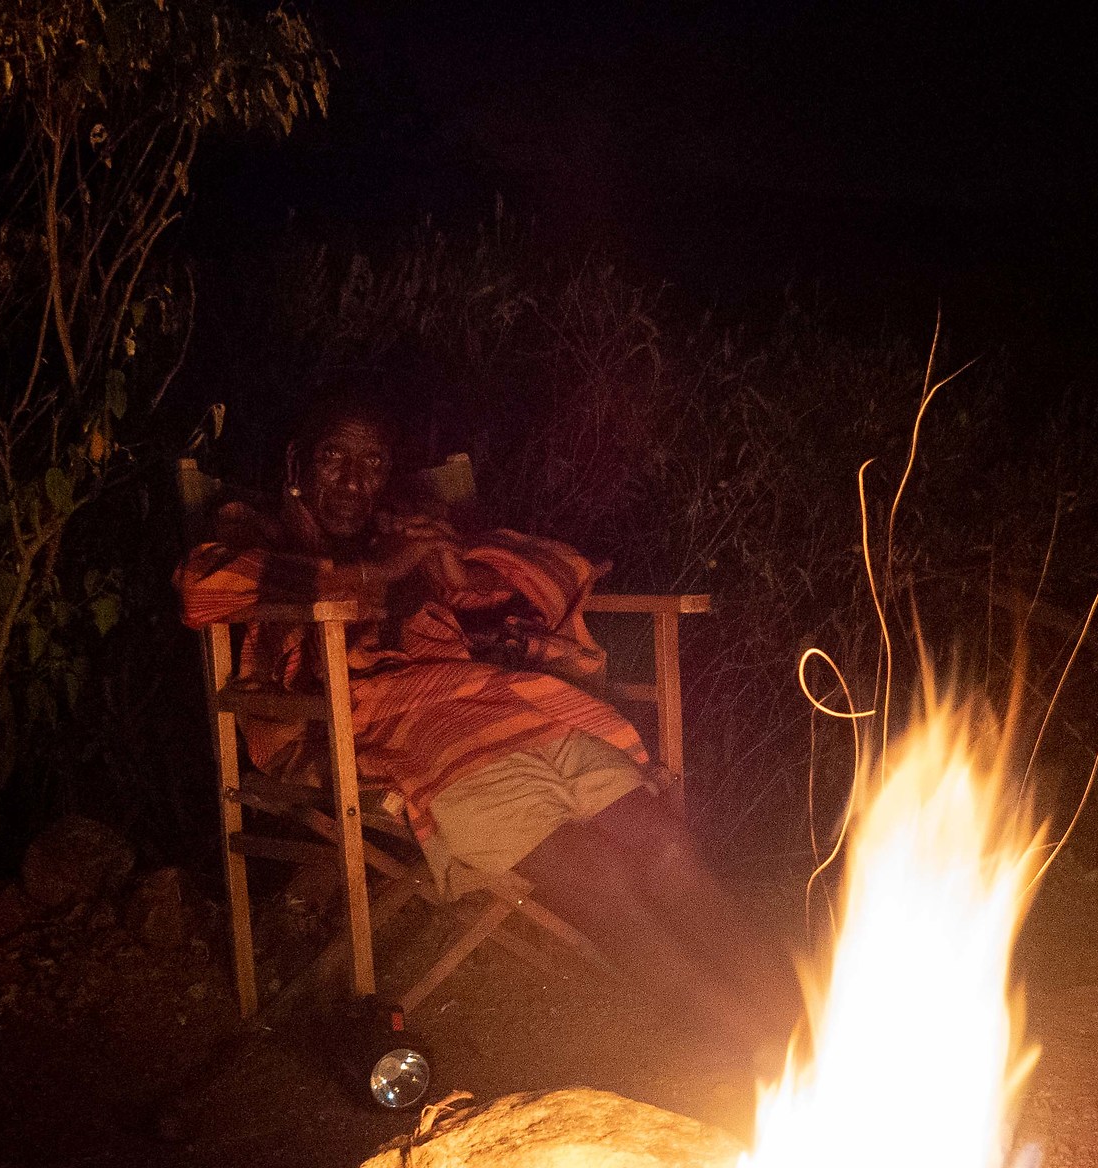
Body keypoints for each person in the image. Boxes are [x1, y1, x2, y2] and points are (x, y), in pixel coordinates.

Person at [177, 391, 796, 1062]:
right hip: (398, 737)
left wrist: (452, 566)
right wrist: (372, 577)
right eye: (334, 458)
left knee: (670, 850)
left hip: (512, 709)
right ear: (299, 462)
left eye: (373, 462)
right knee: (601, 881)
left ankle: (814, 1020)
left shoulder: (401, 531)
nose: (353, 482)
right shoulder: (258, 536)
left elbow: (519, 581)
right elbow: (201, 587)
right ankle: (759, 1052)